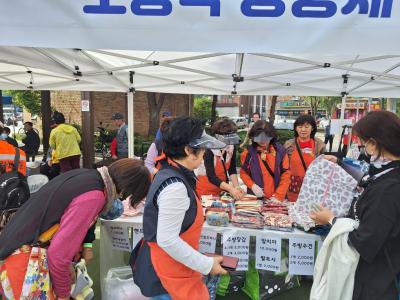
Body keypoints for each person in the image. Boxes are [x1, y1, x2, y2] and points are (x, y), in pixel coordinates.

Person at [0, 159, 151, 300]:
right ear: (126, 190)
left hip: (17, 248)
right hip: (26, 264)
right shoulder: (95, 196)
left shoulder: (88, 176)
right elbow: (58, 256)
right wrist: (64, 295)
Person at [133, 117, 228, 300]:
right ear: (187, 150)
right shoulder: (175, 186)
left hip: (172, 266)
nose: (203, 157)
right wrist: (206, 264)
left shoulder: (169, 171)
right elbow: (168, 240)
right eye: (201, 151)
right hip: (167, 272)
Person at [310, 111, 400, 300]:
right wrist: (340, 162)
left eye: (364, 143)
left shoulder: (388, 190)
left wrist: (332, 220)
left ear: (374, 143)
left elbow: (366, 241)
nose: (363, 148)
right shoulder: (389, 174)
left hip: (376, 281)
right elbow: (365, 176)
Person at [240, 120, 291, 201]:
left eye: (266, 137)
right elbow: (243, 173)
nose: (262, 141)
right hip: (255, 199)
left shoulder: (281, 152)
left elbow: (286, 174)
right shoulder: (248, 153)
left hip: (276, 199)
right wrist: (253, 186)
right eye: (259, 137)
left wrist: (278, 196)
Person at [196, 118, 244, 200]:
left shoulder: (231, 147)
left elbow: (232, 169)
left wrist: (236, 186)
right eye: (227, 136)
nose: (230, 140)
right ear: (218, 136)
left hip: (222, 190)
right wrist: (230, 188)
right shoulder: (209, 149)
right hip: (206, 191)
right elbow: (211, 176)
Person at [284, 115, 326, 202]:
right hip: (292, 186)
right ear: (296, 128)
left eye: (307, 127)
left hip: (312, 187)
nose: (303, 130)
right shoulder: (289, 145)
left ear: (312, 128)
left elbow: (324, 167)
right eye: (300, 127)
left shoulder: (319, 145)